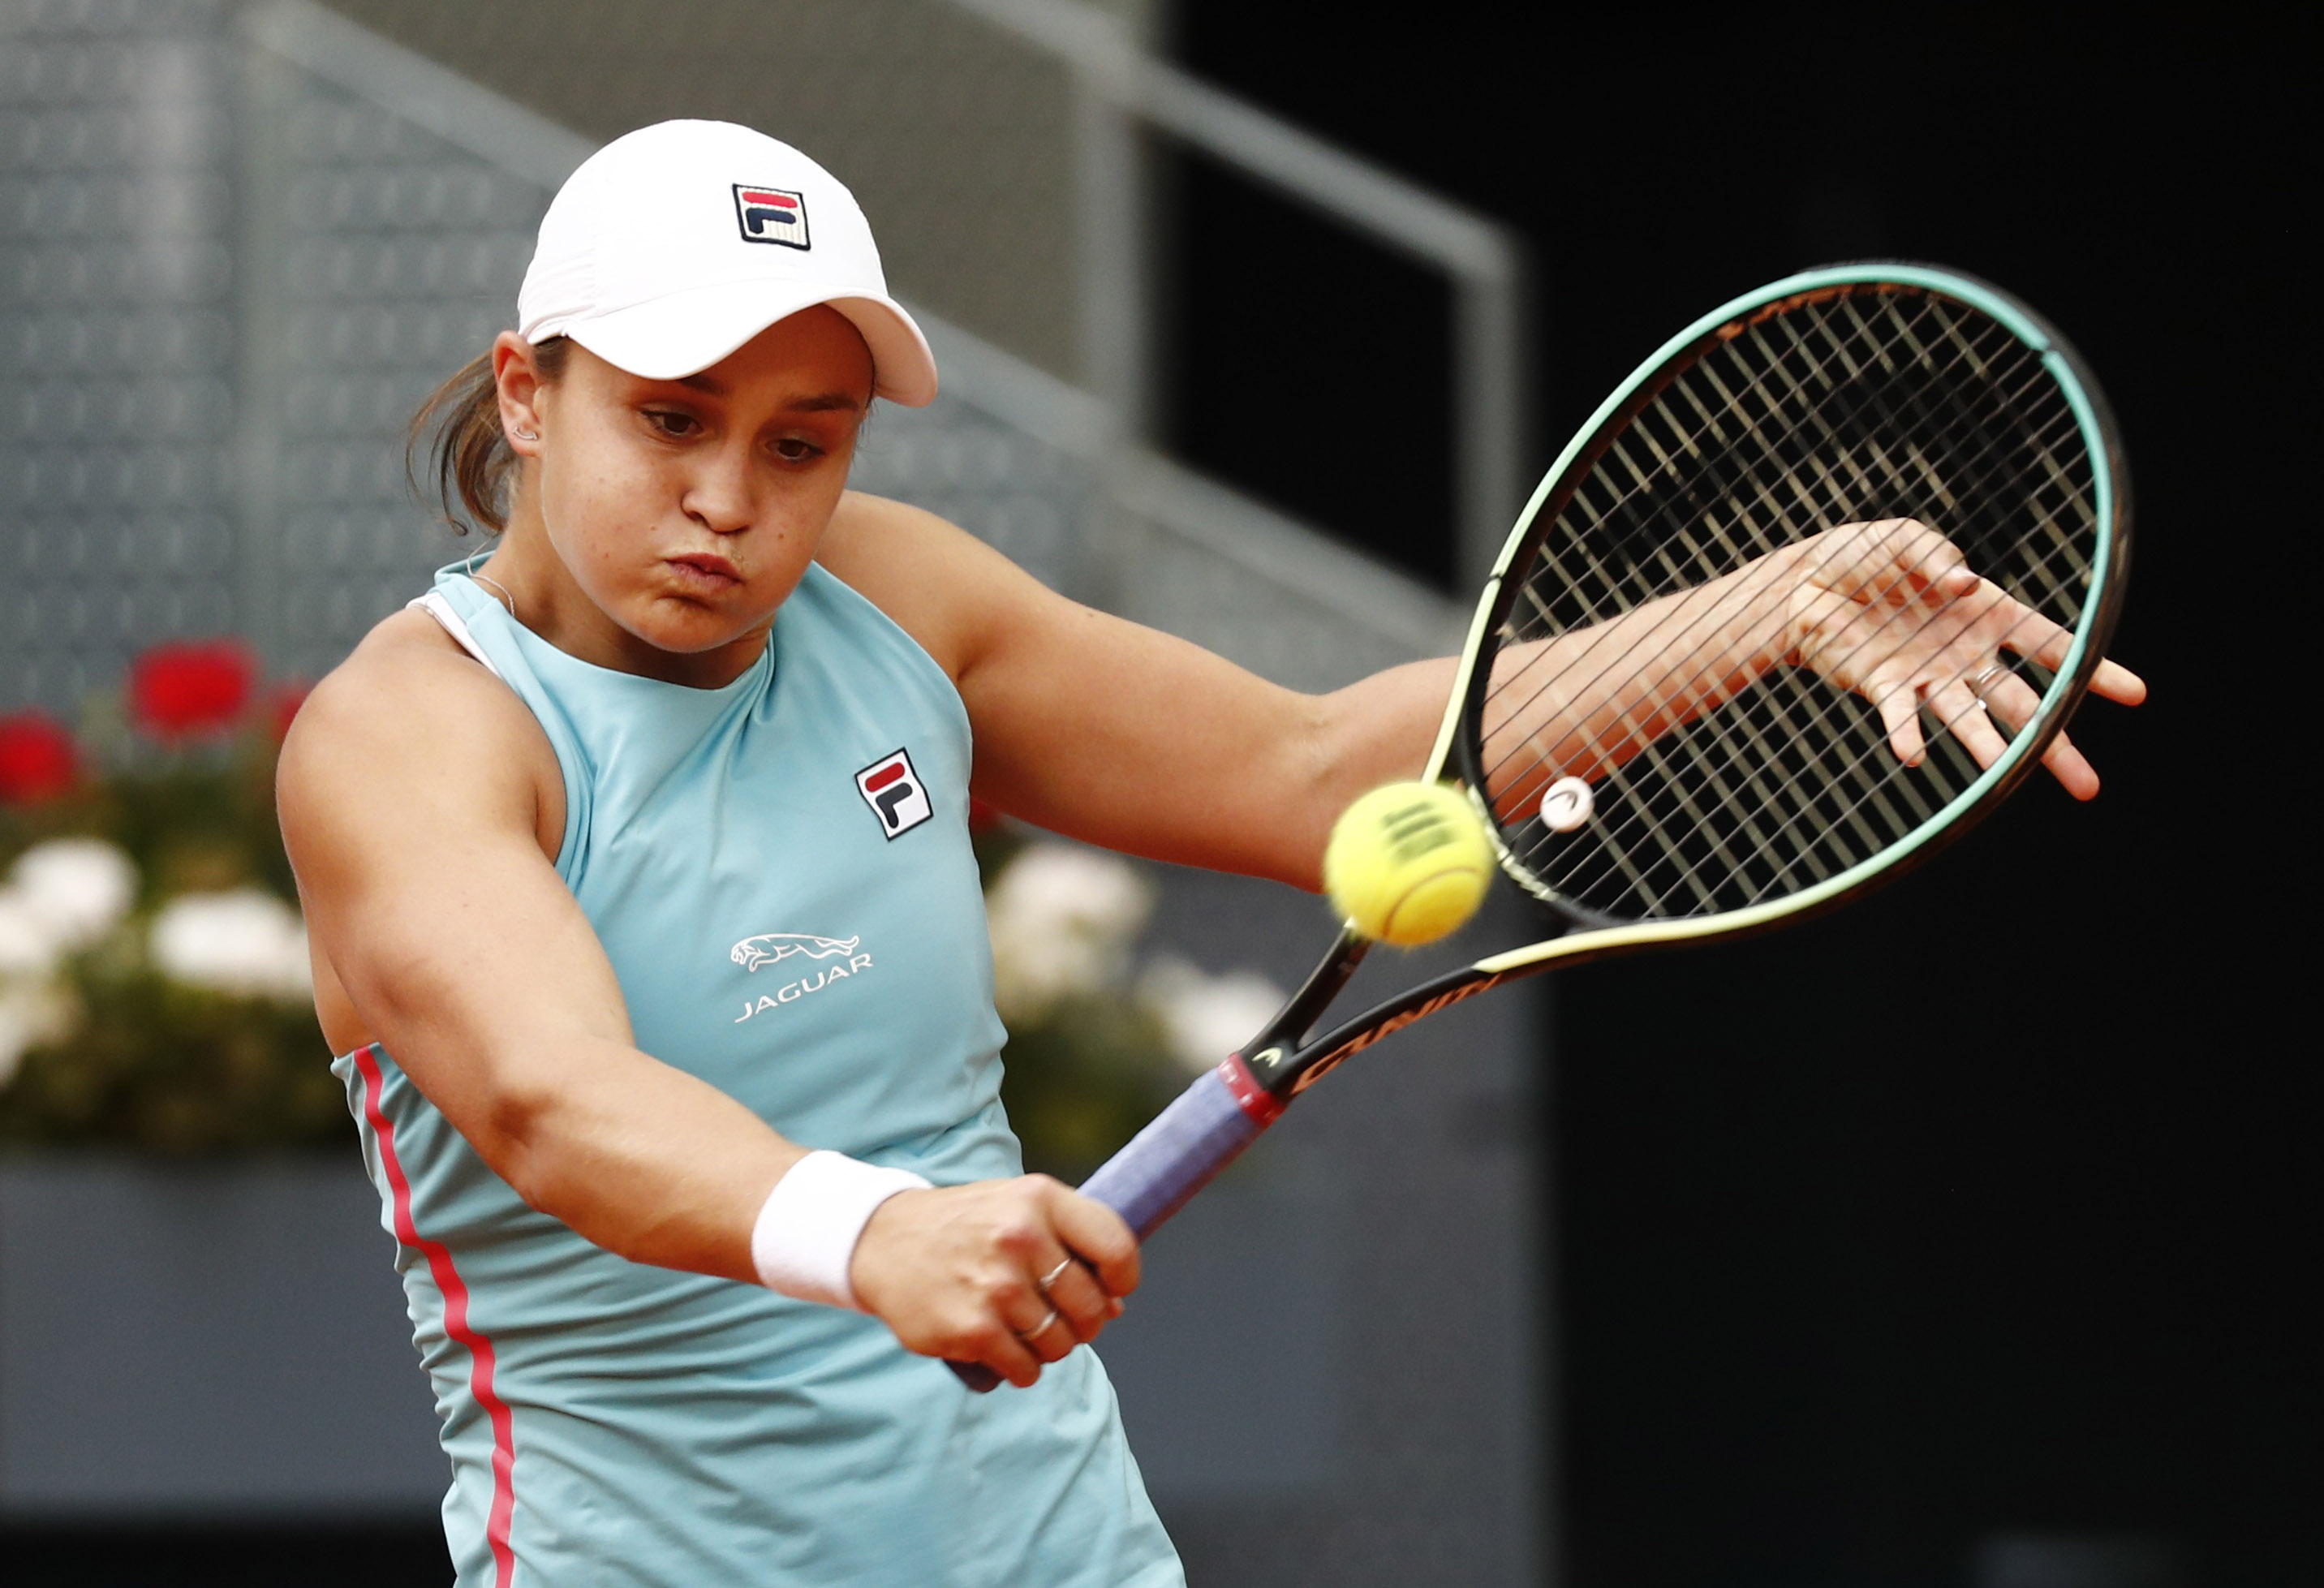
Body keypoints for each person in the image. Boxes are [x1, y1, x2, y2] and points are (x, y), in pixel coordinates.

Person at [278, 120, 2144, 1586]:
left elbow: (1311, 769)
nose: (728, 501)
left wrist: (1763, 605)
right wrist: (882, 1233)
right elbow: (547, 1096)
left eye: (800, 443)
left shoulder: (895, 602)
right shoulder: (409, 736)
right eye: (668, 422)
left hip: (1059, 1555)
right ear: (528, 392)